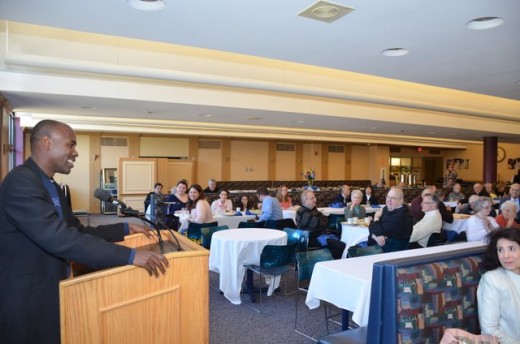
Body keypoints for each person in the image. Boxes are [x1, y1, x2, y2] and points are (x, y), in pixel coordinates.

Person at [0, 120, 169, 343]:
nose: (75, 152)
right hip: (26, 297)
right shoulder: (21, 182)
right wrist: (129, 255)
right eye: (71, 144)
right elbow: (60, 238)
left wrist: (124, 228)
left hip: (50, 288)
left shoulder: (49, 185)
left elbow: (76, 230)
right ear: (46, 142)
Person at [477, 228, 520, 343]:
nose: (505, 256)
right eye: (500, 250)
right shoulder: (492, 279)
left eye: (511, 249)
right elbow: (489, 330)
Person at [296, 190, 345, 259]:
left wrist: (322, 222)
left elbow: (326, 220)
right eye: (312, 198)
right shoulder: (302, 212)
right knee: (340, 245)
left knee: (343, 240)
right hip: (310, 239)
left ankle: (331, 260)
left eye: (314, 198)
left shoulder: (313, 209)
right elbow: (318, 223)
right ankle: (332, 263)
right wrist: (322, 222)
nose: (315, 200)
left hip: (319, 235)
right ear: (305, 200)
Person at [368, 187, 413, 253]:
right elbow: (372, 227)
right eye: (388, 197)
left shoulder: (401, 215)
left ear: (401, 200)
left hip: (393, 253)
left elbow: (377, 229)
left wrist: (376, 217)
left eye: (393, 198)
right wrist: (375, 236)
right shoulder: (386, 208)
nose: (388, 200)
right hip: (382, 248)